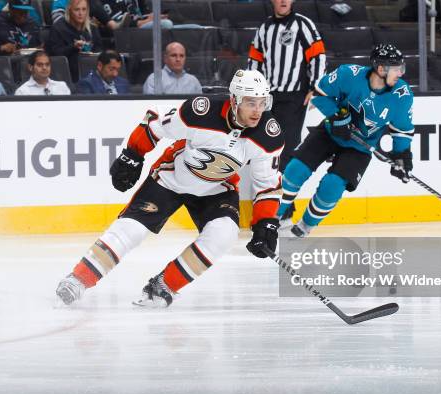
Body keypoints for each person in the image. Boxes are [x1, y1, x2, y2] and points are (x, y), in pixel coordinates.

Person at [55, 69, 284, 308]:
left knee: (224, 234)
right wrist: (133, 154)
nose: (258, 110)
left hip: (217, 188)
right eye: (250, 102)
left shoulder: (269, 135)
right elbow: (155, 124)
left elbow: (267, 185)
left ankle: (164, 285)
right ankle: (79, 278)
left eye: (262, 102)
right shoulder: (201, 111)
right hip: (172, 179)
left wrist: (266, 222)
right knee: (131, 230)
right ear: (234, 100)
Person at [276, 44, 414, 238]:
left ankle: (304, 228)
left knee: (332, 186)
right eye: (396, 68)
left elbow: (402, 130)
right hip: (330, 132)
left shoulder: (402, 95)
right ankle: (272, 217)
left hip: (359, 147)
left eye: (402, 67)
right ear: (380, 68)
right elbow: (319, 94)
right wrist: (337, 116)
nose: (401, 72)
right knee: (295, 170)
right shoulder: (349, 74)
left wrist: (401, 156)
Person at [248, 0, 326, 224]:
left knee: (287, 150)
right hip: (269, 98)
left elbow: (318, 56)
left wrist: (315, 88)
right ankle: (269, 208)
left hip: (294, 97)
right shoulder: (265, 28)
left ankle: (283, 212)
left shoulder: (303, 25)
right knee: (266, 150)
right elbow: (255, 60)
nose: (283, 1)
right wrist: (252, 90)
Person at [46, 0, 102, 81]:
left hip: (90, 72)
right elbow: (55, 55)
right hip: (66, 74)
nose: (81, 13)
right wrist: (73, 47)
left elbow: (99, 49)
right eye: (77, 9)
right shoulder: (58, 28)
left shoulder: (92, 28)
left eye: (84, 9)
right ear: (69, 10)